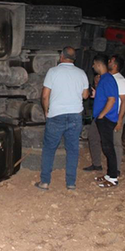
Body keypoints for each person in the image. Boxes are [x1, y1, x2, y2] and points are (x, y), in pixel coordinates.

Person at [35, 46, 89, 191]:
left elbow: (45, 95)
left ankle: (45, 182)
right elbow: (85, 95)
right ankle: (70, 183)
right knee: (72, 150)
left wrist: (47, 111)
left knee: (49, 149)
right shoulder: (81, 73)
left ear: (61, 56)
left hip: (56, 115)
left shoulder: (53, 72)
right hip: (75, 116)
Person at [83, 55, 125, 175]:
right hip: (102, 115)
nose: (108, 61)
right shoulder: (105, 78)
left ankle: (115, 170)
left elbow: (123, 101)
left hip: (111, 115)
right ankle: (97, 164)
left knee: (114, 143)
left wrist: (119, 120)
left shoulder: (120, 80)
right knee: (93, 136)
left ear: (115, 64)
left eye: (111, 60)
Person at [90, 54, 120, 188]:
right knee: (106, 146)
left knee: (108, 148)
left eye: (94, 64)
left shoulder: (107, 79)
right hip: (104, 118)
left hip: (106, 119)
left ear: (99, 64)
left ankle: (113, 178)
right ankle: (109, 174)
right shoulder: (104, 79)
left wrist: (102, 115)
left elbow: (112, 99)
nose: (93, 66)